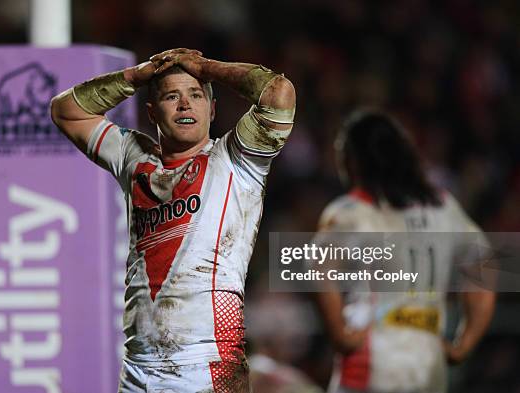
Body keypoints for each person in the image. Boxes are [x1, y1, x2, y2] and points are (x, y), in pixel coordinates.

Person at [50, 48, 295, 392]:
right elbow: (66, 112)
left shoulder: (237, 160)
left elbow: (279, 94)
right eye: (171, 96)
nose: (184, 105)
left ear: (212, 109)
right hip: (137, 367)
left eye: (196, 95)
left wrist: (206, 67)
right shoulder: (134, 158)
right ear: (151, 112)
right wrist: (138, 76)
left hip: (206, 364)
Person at [313, 109, 496, 393]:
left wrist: (340, 334)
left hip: (372, 362)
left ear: (352, 159)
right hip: (430, 365)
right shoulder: (444, 207)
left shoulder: (351, 210)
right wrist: (465, 343)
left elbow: (318, 268)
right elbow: (484, 266)